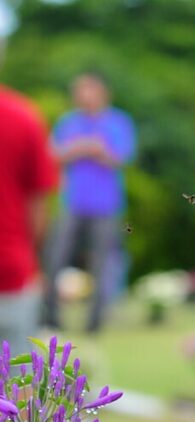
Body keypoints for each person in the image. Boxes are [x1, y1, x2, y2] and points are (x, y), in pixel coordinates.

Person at [43, 72, 135, 332]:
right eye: (79, 91)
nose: (83, 96)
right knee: (56, 258)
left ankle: (95, 321)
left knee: (103, 263)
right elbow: (52, 156)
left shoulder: (119, 121)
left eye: (89, 90)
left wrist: (98, 150)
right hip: (71, 202)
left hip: (107, 206)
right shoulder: (68, 122)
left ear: (103, 93)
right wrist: (81, 148)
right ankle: (51, 315)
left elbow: (121, 158)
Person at [0, 78, 59, 355]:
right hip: (12, 270)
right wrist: (31, 257)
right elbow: (38, 204)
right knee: (18, 384)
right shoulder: (23, 115)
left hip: (13, 271)